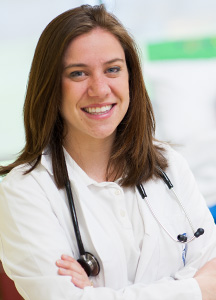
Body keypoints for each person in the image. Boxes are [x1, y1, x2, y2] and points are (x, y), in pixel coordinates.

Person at [0, 4, 216, 300]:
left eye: (113, 69)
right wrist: (194, 288)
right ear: (51, 86)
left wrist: (99, 294)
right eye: (78, 74)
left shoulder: (169, 166)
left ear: (131, 77)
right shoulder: (24, 191)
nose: (100, 89)